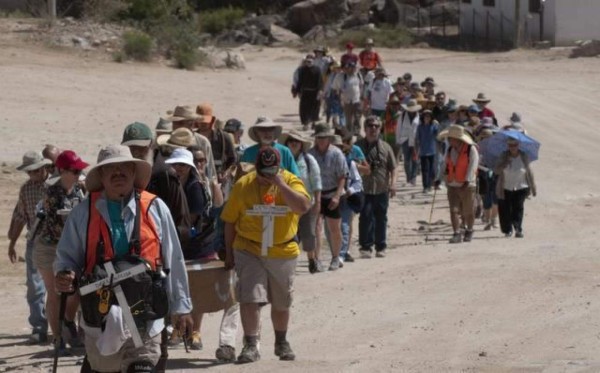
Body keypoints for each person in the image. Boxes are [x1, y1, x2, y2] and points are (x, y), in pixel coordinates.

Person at [54, 145, 194, 372]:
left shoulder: (155, 208)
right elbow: (66, 258)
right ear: (101, 175)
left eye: (124, 167)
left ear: (133, 171)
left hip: (145, 316)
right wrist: (64, 274)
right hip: (100, 319)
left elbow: (174, 259)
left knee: (141, 366)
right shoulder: (83, 213)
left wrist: (182, 307)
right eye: (111, 168)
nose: (118, 172)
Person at [221, 146, 310, 363]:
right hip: (249, 249)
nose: (265, 178)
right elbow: (230, 221)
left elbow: (303, 206)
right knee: (249, 297)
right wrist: (229, 253)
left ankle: (281, 342)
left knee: (282, 301)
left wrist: (280, 184)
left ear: (278, 169)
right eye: (262, 174)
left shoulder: (290, 181)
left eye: (271, 173)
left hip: (283, 250)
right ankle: (251, 345)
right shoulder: (244, 184)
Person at [121, 121, 190, 372]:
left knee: (153, 340)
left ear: (150, 145)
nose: (136, 152)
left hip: (156, 271)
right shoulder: (118, 175)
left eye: (141, 148)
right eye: (131, 148)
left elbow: (181, 223)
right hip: (123, 273)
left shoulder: (163, 175)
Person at [33, 150, 88, 350]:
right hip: (50, 247)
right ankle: (58, 338)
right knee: (54, 292)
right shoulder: (51, 193)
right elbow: (54, 224)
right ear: (62, 171)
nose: (77, 174)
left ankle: (68, 323)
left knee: (75, 290)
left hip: (71, 246)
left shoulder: (78, 190)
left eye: (79, 171)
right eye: (74, 171)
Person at [7, 151, 51, 344]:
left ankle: (66, 327)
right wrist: (12, 243)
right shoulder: (26, 190)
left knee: (62, 285)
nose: (31, 175)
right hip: (35, 241)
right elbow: (20, 216)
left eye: (34, 171)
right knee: (35, 286)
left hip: (57, 242)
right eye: (29, 172)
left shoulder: (55, 186)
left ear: (43, 168)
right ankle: (39, 327)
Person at [280, 130, 322, 273]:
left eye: (296, 141)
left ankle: (312, 259)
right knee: (289, 234)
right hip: (286, 204)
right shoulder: (282, 159)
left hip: (307, 203)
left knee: (309, 233)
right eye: (291, 140)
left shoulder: (309, 161)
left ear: (301, 144)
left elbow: (316, 182)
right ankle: (291, 263)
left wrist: (318, 202)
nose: (293, 143)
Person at [355, 116, 397, 258]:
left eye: (376, 126)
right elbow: (350, 164)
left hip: (381, 188)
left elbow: (393, 168)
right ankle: (365, 247)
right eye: (370, 126)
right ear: (365, 128)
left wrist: (393, 184)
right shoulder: (358, 146)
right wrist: (361, 168)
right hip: (364, 188)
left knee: (381, 217)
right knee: (365, 216)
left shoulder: (386, 147)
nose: (373, 129)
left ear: (380, 129)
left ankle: (381, 246)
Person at [309, 124, 348, 270]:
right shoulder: (310, 154)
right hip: (316, 195)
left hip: (333, 194)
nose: (321, 140)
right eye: (319, 137)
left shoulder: (337, 153)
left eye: (324, 137)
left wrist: (337, 196)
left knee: (334, 228)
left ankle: (336, 257)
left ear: (329, 138)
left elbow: (343, 176)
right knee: (316, 227)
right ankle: (317, 259)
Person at [441, 125, 479, 244]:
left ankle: (470, 230)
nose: (448, 140)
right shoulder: (449, 150)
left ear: (458, 139)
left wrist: (467, 182)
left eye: (450, 138)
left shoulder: (471, 150)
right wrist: (439, 178)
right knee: (454, 210)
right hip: (452, 184)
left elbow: (473, 166)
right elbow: (445, 166)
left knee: (469, 211)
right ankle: (456, 233)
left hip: (468, 186)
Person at [495, 138, 536, 238]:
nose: (513, 147)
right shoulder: (503, 156)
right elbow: (496, 170)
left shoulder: (524, 156)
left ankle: (518, 228)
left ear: (518, 145)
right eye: (510, 145)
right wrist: (504, 164)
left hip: (521, 186)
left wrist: (533, 187)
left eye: (515, 145)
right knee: (505, 209)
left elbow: (529, 172)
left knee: (518, 208)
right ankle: (507, 230)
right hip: (505, 187)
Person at [331, 134, 363, 263]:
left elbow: (358, 182)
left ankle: (341, 255)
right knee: (331, 229)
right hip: (329, 198)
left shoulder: (350, 163)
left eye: (339, 148)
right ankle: (335, 253)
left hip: (345, 199)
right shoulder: (324, 163)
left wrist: (348, 192)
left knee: (344, 226)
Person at [166, 105, 217, 179]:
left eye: (180, 123)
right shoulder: (165, 141)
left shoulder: (203, 142)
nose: (175, 126)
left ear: (191, 124)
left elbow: (210, 172)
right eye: (174, 122)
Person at [195, 103, 237, 180]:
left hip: (219, 181)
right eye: (200, 120)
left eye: (205, 121)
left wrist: (226, 173)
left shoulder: (224, 138)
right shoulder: (192, 137)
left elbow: (233, 160)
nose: (203, 123)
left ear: (212, 120)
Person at [332, 61, 364, 135]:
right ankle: (349, 133)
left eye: (354, 68)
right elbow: (334, 88)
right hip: (346, 101)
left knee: (357, 117)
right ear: (347, 68)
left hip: (357, 100)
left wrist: (362, 97)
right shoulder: (340, 76)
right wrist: (338, 99)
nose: (353, 69)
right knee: (348, 119)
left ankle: (357, 133)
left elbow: (361, 85)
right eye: (351, 68)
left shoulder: (358, 75)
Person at [294, 54, 324, 130]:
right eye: (308, 61)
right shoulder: (302, 70)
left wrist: (320, 90)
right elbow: (299, 82)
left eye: (310, 61)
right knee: (304, 109)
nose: (309, 62)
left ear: (313, 61)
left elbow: (320, 81)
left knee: (315, 108)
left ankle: (314, 123)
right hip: (305, 92)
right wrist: (296, 91)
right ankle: (305, 124)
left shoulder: (317, 69)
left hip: (315, 92)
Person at [397, 99, 421, 186]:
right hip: (405, 140)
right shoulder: (402, 115)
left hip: (416, 141)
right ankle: (408, 176)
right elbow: (398, 128)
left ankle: (413, 178)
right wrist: (398, 140)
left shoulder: (420, 117)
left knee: (415, 160)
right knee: (407, 160)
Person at [415, 110, 440, 193]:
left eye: (429, 117)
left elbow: (438, 135)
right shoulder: (420, 127)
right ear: (423, 117)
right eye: (425, 116)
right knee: (425, 170)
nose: (427, 118)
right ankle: (425, 186)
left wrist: (437, 124)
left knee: (432, 170)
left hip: (432, 151)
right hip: (423, 152)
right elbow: (417, 139)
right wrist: (416, 150)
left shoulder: (433, 126)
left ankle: (430, 184)